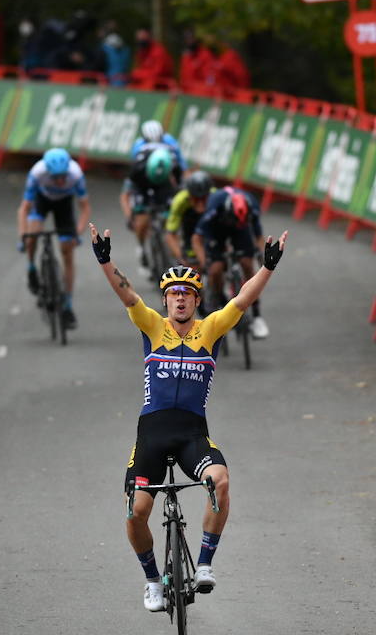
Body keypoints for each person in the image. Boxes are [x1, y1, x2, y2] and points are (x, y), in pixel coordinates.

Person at [88, 222, 287, 611]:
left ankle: (205, 565)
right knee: (136, 511)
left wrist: (267, 268)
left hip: (193, 434)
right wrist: (106, 260)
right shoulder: (152, 326)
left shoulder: (210, 329)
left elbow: (242, 300)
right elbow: (126, 294)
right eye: (174, 294)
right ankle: (151, 581)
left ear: (197, 301)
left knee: (220, 482)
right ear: (165, 301)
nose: (180, 300)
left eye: (188, 294)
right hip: (153, 434)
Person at [17, 147, 91, 330]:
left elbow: (85, 208)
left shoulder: (76, 175)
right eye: (55, 177)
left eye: (62, 177)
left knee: (67, 251)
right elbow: (24, 209)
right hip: (41, 200)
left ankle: (67, 305)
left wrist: (78, 232)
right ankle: (32, 268)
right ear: (47, 172)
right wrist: (23, 236)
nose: (59, 181)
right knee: (33, 234)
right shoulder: (37, 173)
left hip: (64, 204)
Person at [193, 185, 269, 339]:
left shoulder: (252, 206)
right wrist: (205, 263)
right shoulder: (214, 208)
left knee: (247, 264)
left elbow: (259, 236)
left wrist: (261, 257)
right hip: (218, 229)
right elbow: (196, 239)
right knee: (215, 269)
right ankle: (220, 298)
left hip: (241, 227)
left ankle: (256, 316)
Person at [119, 143, 182, 269]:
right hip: (142, 186)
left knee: (169, 216)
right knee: (142, 220)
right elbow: (125, 196)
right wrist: (130, 216)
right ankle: (142, 246)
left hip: (164, 184)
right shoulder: (137, 169)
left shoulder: (174, 166)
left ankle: (171, 247)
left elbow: (178, 190)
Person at [164, 170, 213, 270]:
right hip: (189, 230)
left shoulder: (215, 196)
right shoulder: (180, 201)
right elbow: (170, 235)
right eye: (196, 199)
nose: (200, 204)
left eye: (203, 198)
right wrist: (181, 257)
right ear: (189, 194)